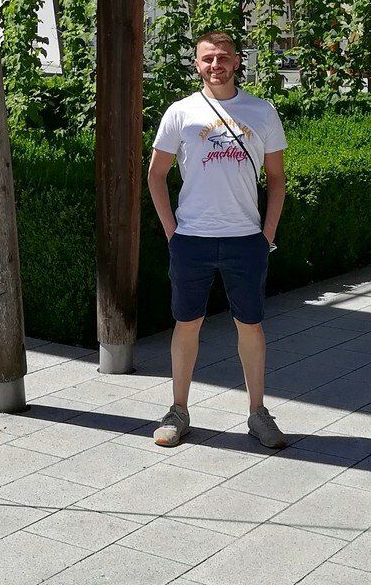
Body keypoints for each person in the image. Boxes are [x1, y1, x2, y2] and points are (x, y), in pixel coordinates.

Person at [147, 31, 288, 449]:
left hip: (245, 240)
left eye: (223, 58)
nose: (215, 65)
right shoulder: (180, 112)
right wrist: (172, 232)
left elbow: (277, 181)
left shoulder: (261, 112)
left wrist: (266, 235)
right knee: (186, 324)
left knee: (251, 326)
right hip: (191, 239)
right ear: (197, 64)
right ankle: (178, 410)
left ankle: (258, 414)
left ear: (237, 61)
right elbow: (156, 176)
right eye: (207, 58)